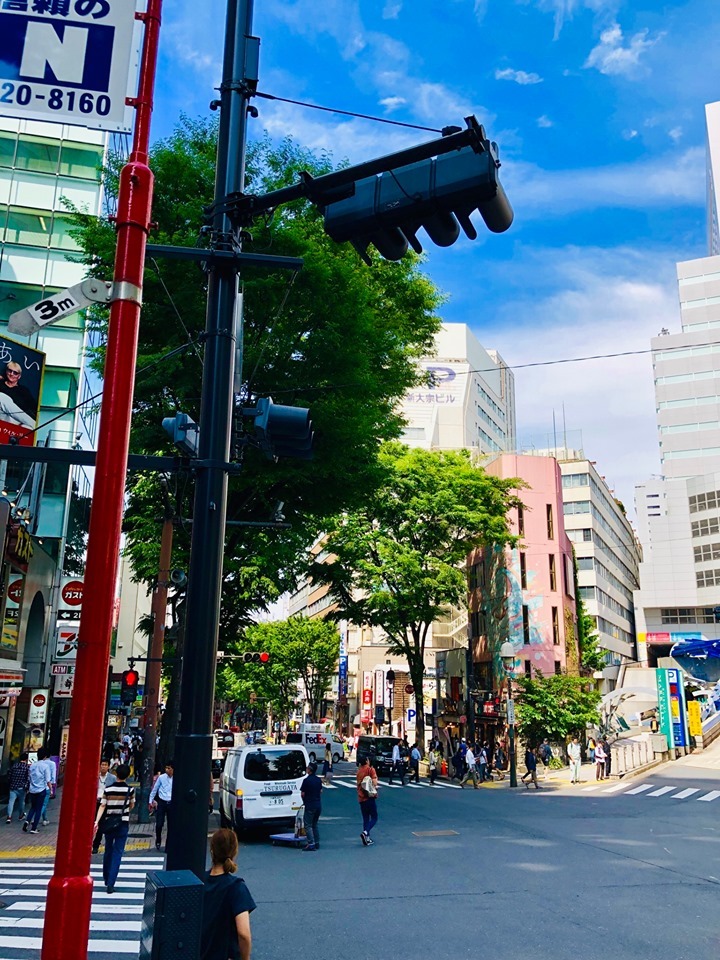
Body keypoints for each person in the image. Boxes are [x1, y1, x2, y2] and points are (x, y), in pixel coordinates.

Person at [201, 829, 256, 960]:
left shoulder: (199, 881)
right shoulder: (235, 887)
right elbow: (243, 933)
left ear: (212, 850)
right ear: (234, 852)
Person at [94, 763, 135, 894]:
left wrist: (96, 821)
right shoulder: (130, 790)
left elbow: (102, 806)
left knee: (108, 850)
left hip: (109, 823)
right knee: (118, 852)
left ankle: (106, 877)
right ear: (127, 775)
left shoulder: (108, 790)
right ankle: (111, 882)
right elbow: (131, 806)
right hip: (122, 823)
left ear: (116, 774)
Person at [23, 748, 53, 833]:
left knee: (32, 807)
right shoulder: (45, 766)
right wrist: (51, 790)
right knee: (39, 809)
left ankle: (27, 821)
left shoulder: (32, 765)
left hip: (32, 790)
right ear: (45, 756)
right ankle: (34, 828)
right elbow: (48, 780)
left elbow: (29, 778)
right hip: (41, 790)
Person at [92, 760, 116, 854]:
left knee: (100, 825)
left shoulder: (112, 778)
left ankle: (96, 845)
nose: (103, 767)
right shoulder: (95, 776)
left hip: (105, 804)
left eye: (105, 765)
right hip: (95, 802)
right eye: (102, 764)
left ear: (108, 767)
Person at [149, 760, 174, 850]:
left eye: (169, 768)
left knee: (171, 825)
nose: (167, 770)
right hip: (162, 802)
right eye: (166, 768)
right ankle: (158, 839)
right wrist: (150, 800)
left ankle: (168, 844)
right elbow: (155, 789)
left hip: (171, 802)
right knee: (159, 824)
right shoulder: (161, 777)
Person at [356, 755, 379, 845]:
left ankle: (367, 838)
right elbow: (374, 782)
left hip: (361, 798)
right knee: (374, 817)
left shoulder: (359, 772)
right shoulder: (370, 770)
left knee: (365, 818)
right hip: (370, 797)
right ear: (367, 761)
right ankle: (365, 832)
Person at [300, 761, 323, 852]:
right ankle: (317, 842)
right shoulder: (318, 780)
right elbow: (321, 791)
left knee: (308, 825)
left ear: (310, 770)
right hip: (318, 804)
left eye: (307, 768)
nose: (306, 769)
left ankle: (311, 843)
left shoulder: (306, 781)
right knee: (315, 824)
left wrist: (304, 801)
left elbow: (302, 794)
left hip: (310, 804)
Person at [6, 753, 29, 823]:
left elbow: (9, 776)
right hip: (21, 787)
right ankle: (20, 815)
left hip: (13, 787)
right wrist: (27, 788)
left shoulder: (14, 766)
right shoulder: (27, 767)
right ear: (26, 759)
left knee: (11, 802)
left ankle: (9, 817)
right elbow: (28, 778)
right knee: (21, 802)